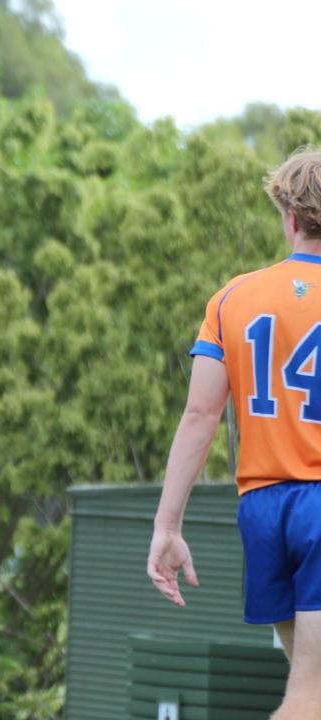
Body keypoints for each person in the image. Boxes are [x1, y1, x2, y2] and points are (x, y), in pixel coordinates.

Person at [147, 147, 321, 718]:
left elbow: (199, 417)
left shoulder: (232, 299)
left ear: (290, 218)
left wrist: (168, 525)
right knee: (309, 697)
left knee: (311, 687)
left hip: (264, 509)